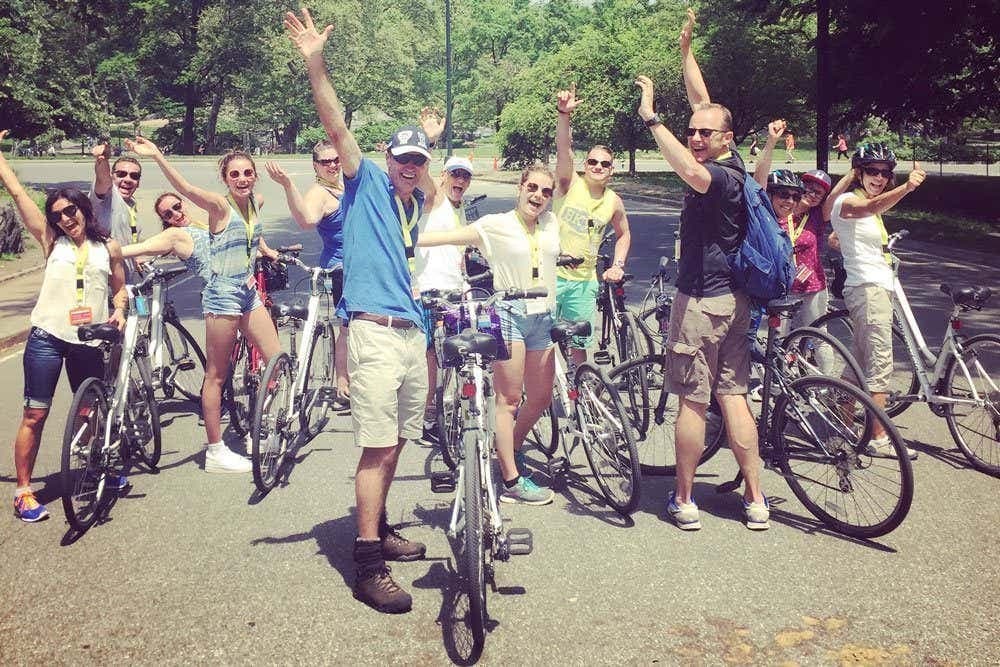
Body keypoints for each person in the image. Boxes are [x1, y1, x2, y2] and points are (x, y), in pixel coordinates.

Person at [286, 7, 432, 615]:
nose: (408, 166)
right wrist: (316, 61)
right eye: (401, 156)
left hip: (409, 335)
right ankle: (366, 561)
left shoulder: (415, 204)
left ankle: (381, 526)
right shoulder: (366, 181)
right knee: (375, 448)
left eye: (417, 159)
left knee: (396, 442)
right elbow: (334, 121)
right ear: (384, 157)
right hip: (372, 331)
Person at [634, 7, 768, 531]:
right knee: (732, 394)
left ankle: (684, 499)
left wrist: (651, 117)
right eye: (691, 131)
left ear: (726, 139)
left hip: (703, 302)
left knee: (691, 399)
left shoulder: (721, 177)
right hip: (734, 301)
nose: (695, 136)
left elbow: (688, 169)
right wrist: (687, 54)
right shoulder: (727, 156)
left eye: (705, 133)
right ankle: (756, 500)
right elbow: (703, 106)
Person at [125, 136, 281, 473]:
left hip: (247, 292)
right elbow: (184, 186)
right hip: (222, 296)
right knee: (216, 375)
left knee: (276, 360)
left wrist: (264, 253)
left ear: (254, 176)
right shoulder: (219, 206)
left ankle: (260, 427)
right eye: (234, 174)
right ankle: (215, 451)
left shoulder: (254, 202)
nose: (242, 178)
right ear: (225, 179)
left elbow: (250, 240)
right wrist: (157, 156)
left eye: (247, 173)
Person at [0, 130, 127, 522]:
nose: (64, 218)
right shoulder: (51, 241)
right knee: (35, 415)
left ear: (83, 211)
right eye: (57, 214)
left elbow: (120, 289)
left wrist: (119, 310)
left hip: (88, 341)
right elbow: (21, 197)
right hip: (47, 339)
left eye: (70, 211)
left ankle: (95, 467)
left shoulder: (109, 248)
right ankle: (23, 491)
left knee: (90, 412)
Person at [418, 164, 560, 509]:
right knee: (508, 400)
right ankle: (511, 479)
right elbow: (439, 238)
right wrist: (398, 240)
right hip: (510, 316)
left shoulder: (551, 223)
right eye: (532, 187)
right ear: (520, 187)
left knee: (540, 398)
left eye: (545, 191)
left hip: (544, 317)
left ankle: (505, 446)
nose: (537, 195)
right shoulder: (495, 225)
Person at [829, 143, 925, 459]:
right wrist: (908, 188)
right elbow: (865, 209)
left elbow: (843, 235)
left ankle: (842, 424)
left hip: (874, 287)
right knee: (879, 363)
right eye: (872, 171)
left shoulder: (866, 204)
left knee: (857, 363)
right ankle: (878, 437)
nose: (880, 178)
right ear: (858, 172)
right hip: (868, 291)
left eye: (885, 173)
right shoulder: (848, 200)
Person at [265, 140, 350, 406]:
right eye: (326, 162)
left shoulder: (346, 182)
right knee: (349, 328)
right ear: (316, 166)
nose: (333, 165)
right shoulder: (319, 194)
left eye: (336, 159)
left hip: (365, 264)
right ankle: (343, 384)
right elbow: (305, 220)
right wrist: (289, 185)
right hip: (342, 268)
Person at [553, 84, 631, 367]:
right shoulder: (568, 183)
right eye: (593, 161)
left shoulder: (614, 201)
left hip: (584, 283)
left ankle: (579, 401)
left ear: (612, 169)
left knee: (578, 346)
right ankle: (542, 396)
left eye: (604, 163)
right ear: (585, 164)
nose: (598, 166)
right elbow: (564, 149)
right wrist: (564, 115)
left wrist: (618, 265)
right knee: (541, 346)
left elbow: (624, 234)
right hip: (550, 278)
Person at [412, 153, 476, 446]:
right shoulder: (436, 198)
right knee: (432, 362)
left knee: (454, 358)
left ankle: (444, 414)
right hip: (429, 292)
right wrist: (428, 141)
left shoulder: (458, 207)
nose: (460, 180)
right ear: (444, 175)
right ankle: (427, 421)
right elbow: (423, 179)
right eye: (455, 174)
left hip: (455, 293)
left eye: (465, 176)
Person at [90, 141, 143, 277]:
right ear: (112, 176)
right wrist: (103, 160)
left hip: (126, 281)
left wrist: (136, 258)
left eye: (134, 176)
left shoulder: (131, 204)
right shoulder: (107, 196)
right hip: (103, 281)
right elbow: (103, 180)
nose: (128, 179)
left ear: (138, 183)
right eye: (121, 174)